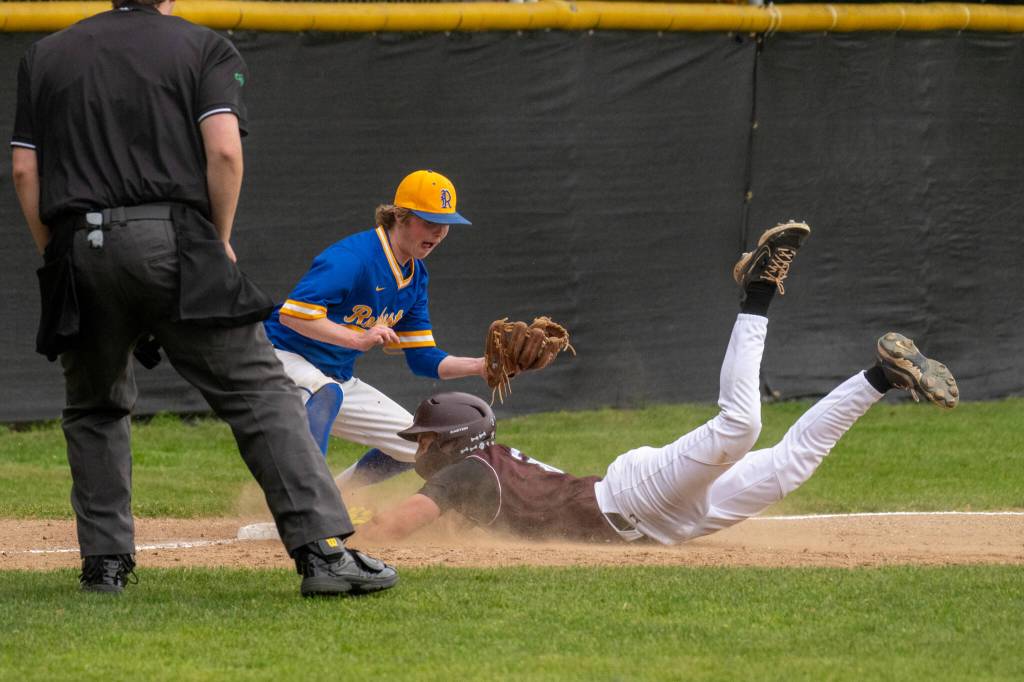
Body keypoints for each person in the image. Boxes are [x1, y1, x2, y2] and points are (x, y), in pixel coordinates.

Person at [10, 0, 396, 597]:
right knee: (262, 393)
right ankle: (322, 554)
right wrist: (216, 241)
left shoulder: (46, 54)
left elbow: (24, 172)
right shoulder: (202, 45)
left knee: (94, 408)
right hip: (176, 241)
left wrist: (57, 256)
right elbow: (224, 151)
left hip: (77, 245)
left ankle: (105, 567)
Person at [356, 222, 960, 545]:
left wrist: (341, 537)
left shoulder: (464, 474)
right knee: (789, 465)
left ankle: (757, 292)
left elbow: (391, 528)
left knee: (740, 427)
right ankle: (881, 377)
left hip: (632, 499)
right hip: (667, 524)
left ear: (455, 441)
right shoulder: (481, 469)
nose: (420, 448)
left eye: (426, 438)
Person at [263, 169, 487, 490]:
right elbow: (293, 316)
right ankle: (307, 506)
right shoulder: (354, 258)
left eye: (445, 223)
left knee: (421, 445)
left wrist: (481, 366)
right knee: (325, 392)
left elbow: (423, 358)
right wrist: (357, 338)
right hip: (277, 357)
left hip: (334, 376)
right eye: (429, 221)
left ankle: (336, 497)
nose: (438, 232)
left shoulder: (416, 277)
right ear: (400, 216)